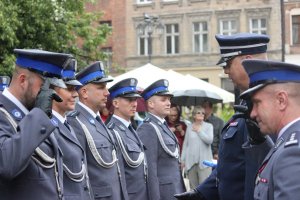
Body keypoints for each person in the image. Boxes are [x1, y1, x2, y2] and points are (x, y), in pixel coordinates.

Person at [174, 33, 274, 200]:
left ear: (247, 62)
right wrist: (202, 192)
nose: (226, 71)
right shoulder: (246, 103)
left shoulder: (272, 105)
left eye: (228, 64)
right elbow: (232, 166)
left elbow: (273, 166)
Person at [0, 49, 74, 200]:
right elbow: (6, 164)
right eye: (45, 86)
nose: (51, 94)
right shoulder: (6, 113)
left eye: (53, 88)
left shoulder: (35, 115)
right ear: (22, 80)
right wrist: (39, 114)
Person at [67, 61, 129, 200]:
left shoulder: (98, 121)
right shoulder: (76, 122)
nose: (107, 93)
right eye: (101, 88)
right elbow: (80, 175)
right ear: (84, 92)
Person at [240, 59, 300, 200]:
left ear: (281, 100)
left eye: (257, 103)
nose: (253, 113)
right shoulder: (286, 142)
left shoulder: (292, 152)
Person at [50, 59, 93, 199]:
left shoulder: (67, 125)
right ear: (52, 92)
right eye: (69, 89)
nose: (75, 94)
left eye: (75, 89)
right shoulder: (48, 128)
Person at [137, 79, 186, 200]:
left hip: (175, 190)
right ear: (151, 104)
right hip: (163, 194)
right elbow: (150, 171)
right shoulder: (147, 128)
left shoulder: (163, 126)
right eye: (163, 100)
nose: (168, 103)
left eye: (169, 99)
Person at [106, 78, 150, 200]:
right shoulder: (112, 131)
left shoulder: (130, 128)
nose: (134, 104)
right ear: (115, 103)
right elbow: (118, 176)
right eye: (129, 100)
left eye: (135, 99)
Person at [181, 106, 213, 189]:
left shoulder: (209, 126)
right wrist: (182, 160)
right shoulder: (189, 127)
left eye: (203, 113)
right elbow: (186, 144)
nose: (201, 114)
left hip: (204, 163)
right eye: (199, 112)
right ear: (194, 115)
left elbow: (209, 140)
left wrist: (199, 131)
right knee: (193, 189)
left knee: (205, 188)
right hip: (190, 163)